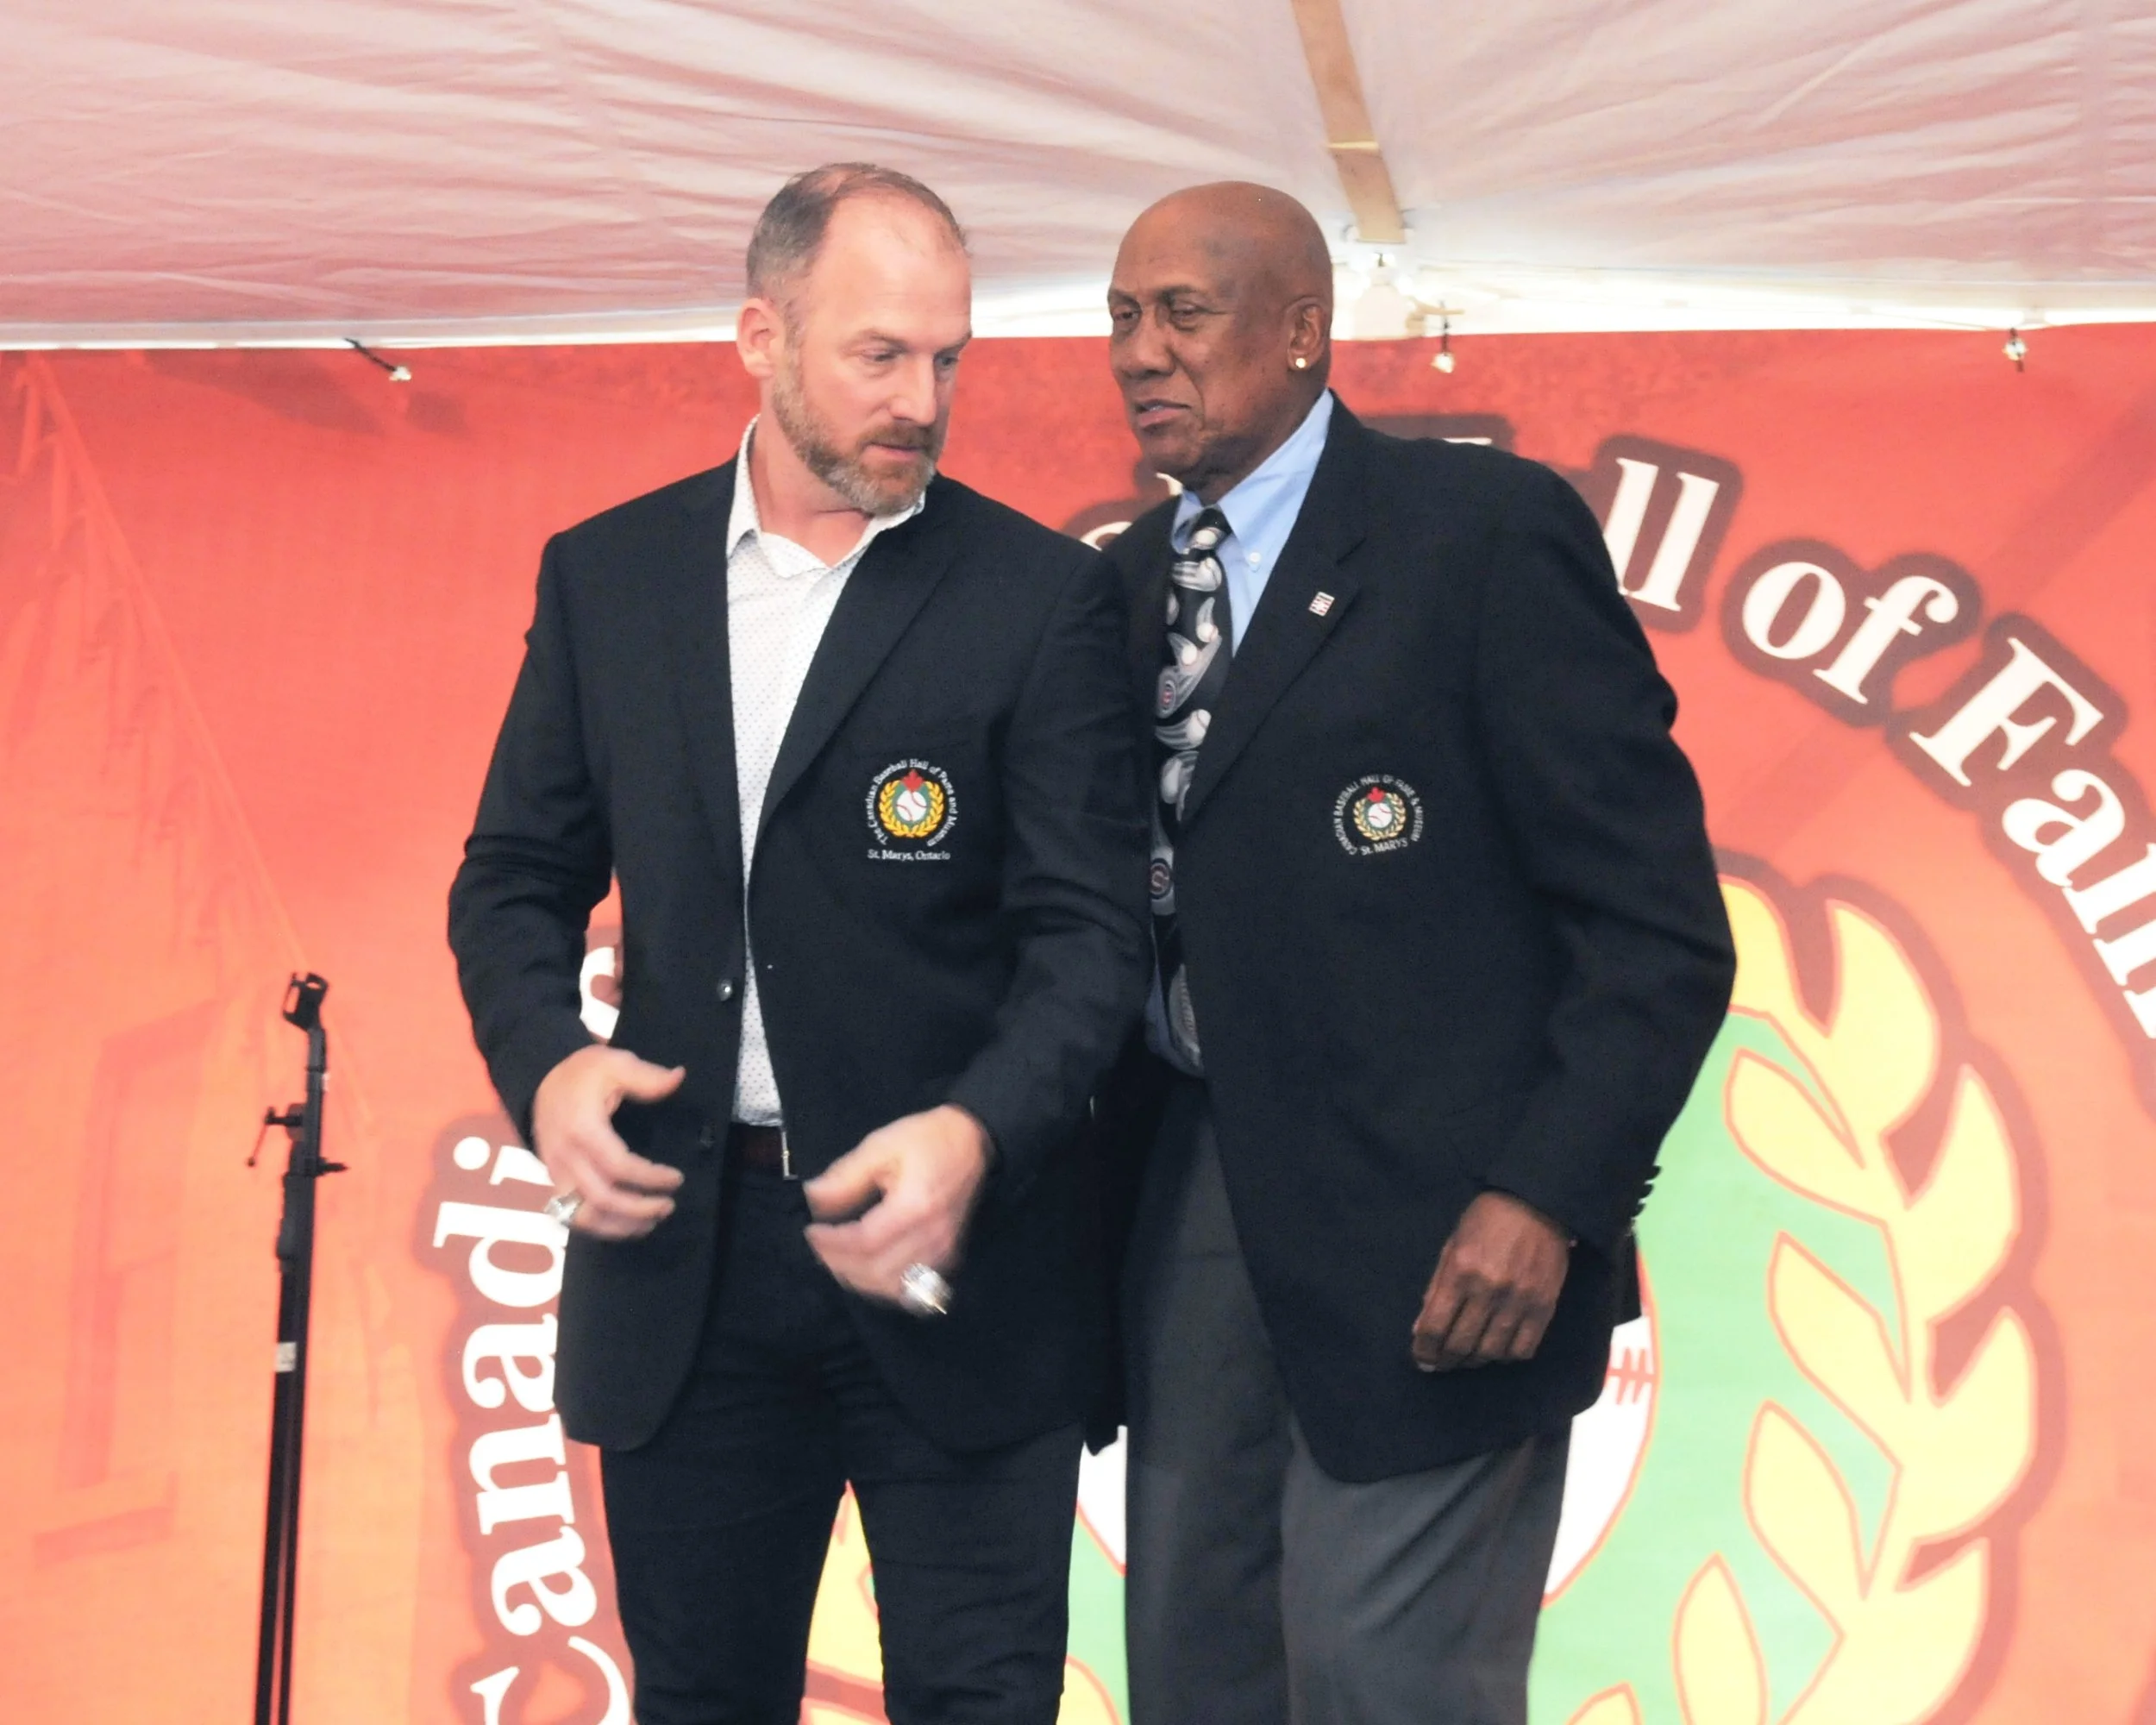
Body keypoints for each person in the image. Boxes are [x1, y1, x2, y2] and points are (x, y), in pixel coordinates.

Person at [448, 163, 1150, 1725]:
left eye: (949, 359)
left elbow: (1090, 937)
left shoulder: (1040, 599)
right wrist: (547, 1068)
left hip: (960, 1265)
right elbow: (511, 879)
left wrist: (978, 1133)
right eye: (879, 355)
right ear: (760, 336)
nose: (922, 402)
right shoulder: (609, 577)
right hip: (684, 1264)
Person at [1097, 182, 1736, 1725]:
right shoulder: (1119, 586)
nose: (1139, 352)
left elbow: (1655, 924)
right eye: (1120, 318)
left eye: (1183, 313)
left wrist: (1548, 1197)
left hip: (1449, 1233)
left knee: (1385, 1681)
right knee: (1195, 1676)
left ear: (1303, 330)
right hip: (1189, 1211)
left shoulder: (1478, 533)